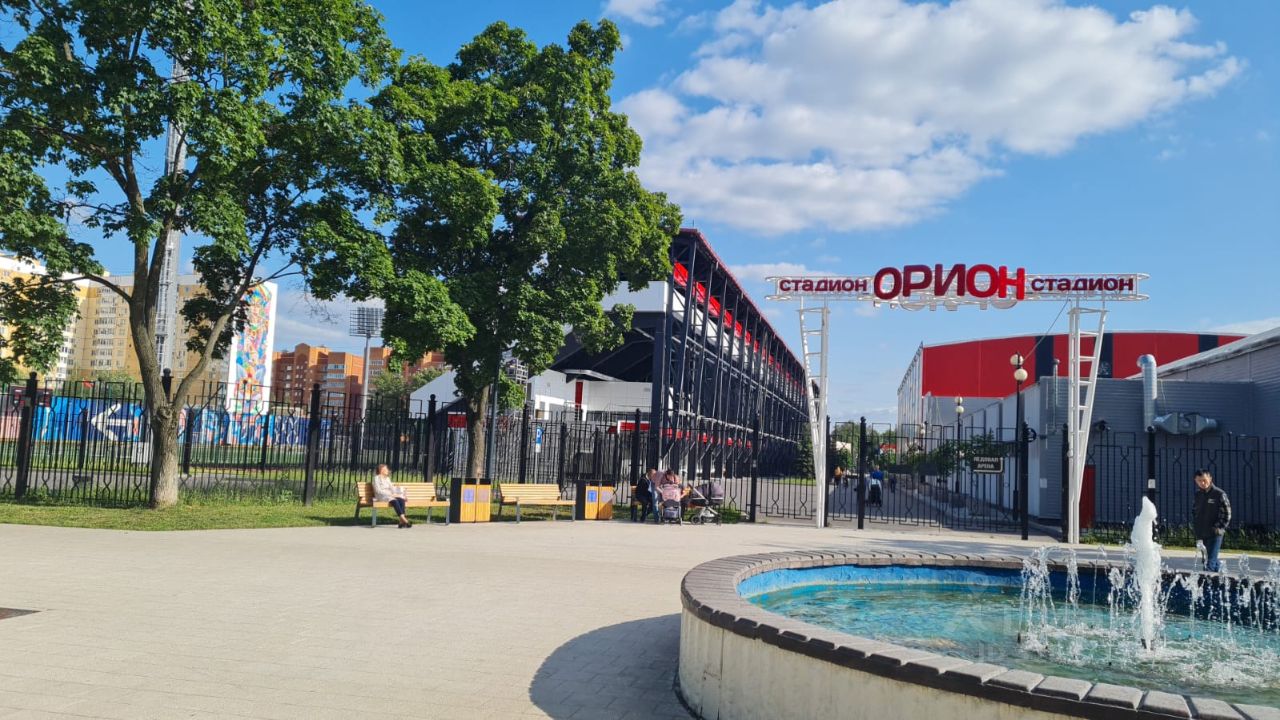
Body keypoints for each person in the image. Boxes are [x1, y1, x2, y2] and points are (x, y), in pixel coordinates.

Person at [1192, 469, 1230, 572]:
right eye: (1199, 481)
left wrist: (1218, 528)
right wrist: (1196, 526)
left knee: (1209, 563)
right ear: (1196, 481)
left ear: (1210, 478)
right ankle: (1221, 575)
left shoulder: (1219, 494)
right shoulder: (1198, 495)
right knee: (1208, 559)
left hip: (1214, 534)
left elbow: (1227, 514)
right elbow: (1194, 511)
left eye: (1204, 480)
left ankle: (1206, 580)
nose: (1202, 483)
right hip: (1201, 533)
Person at [372, 463, 412, 528]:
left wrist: (400, 495)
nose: (388, 470)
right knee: (394, 501)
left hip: (389, 496)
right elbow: (378, 491)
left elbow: (392, 488)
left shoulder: (387, 478)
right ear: (381, 470)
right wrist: (391, 494)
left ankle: (401, 521)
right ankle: (404, 519)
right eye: (386, 469)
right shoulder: (376, 478)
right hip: (381, 496)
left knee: (401, 500)